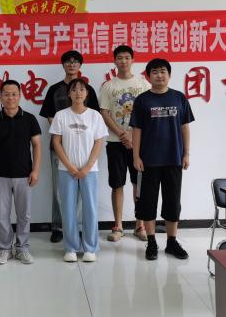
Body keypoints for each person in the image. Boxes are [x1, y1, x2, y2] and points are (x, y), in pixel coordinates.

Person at [131, 58, 194, 261]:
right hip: (149, 161)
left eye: (163, 71)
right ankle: (151, 242)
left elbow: (185, 127)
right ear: (148, 76)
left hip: (173, 159)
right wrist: (136, 156)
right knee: (147, 203)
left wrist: (186, 153)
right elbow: (137, 130)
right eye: (155, 72)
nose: (159, 75)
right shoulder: (142, 100)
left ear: (169, 74)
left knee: (172, 203)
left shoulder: (179, 98)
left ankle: (172, 242)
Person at [39, 49, 100, 243]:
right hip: (59, 146)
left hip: (84, 148)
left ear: (80, 65)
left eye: (75, 61)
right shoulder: (54, 89)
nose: (71, 64)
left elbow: (94, 118)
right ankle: (59, 227)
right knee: (60, 189)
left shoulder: (88, 89)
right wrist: (63, 133)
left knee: (83, 190)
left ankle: (78, 227)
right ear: (63, 65)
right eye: (68, 61)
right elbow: (49, 115)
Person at [50, 78, 108, 263]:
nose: (78, 93)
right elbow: (56, 142)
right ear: (69, 93)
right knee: (68, 209)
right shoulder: (61, 115)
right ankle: (71, 247)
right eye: (74, 90)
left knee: (90, 208)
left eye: (82, 89)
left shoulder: (95, 116)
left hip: (89, 171)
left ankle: (90, 247)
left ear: (87, 93)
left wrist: (87, 167)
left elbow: (99, 142)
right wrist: (69, 166)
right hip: (66, 170)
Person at [0, 80, 42, 265]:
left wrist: (36, 170)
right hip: (0, 174)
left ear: (20, 96)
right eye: (6, 94)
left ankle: (22, 247)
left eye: (14, 94)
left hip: (24, 174)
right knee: (2, 215)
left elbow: (37, 145)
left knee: (24, 215)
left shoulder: (29, 119)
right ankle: (5, 248)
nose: (10, 98)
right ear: (0, 97)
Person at [99, 45, 150, 243]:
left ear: (133, 60)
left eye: (127, 57)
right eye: (119, 58)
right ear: (114, 61)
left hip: (139, 143)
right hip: (115, 142)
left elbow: (147, 112)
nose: (123, 61)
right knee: (117, 184)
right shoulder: (108, 86)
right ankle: (118, 226)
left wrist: (132, 134)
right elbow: (104, 113)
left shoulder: (143, 83)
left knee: (139, 184)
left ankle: (140, 225)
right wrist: (122, 133)